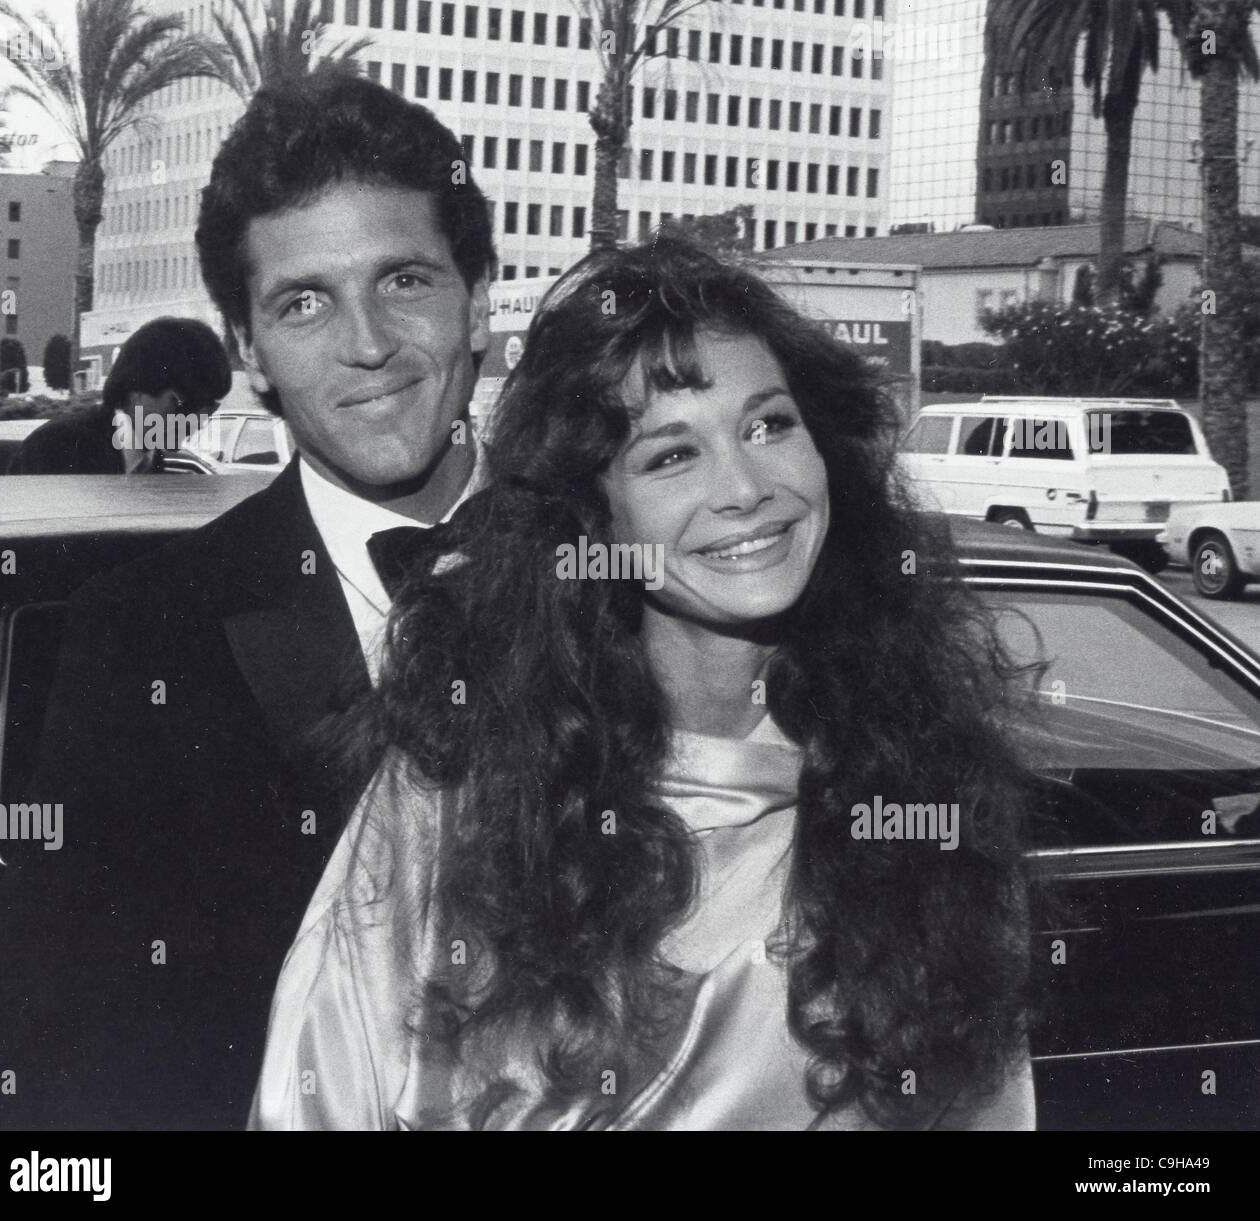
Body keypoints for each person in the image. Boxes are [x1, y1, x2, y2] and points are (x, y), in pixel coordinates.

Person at [250, 236, 1039, 1131]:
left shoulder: (923, 795)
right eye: (671, 455)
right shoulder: (461, 785)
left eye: (770, 424)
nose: (745, 487)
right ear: (593, 515)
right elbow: (322, 1089)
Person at [0, 70, 495, 1130]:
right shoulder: (139, 634)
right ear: (250, 352)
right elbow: (58, 1046)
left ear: (479, 298)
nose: (366, 343)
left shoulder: (631, 587)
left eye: (404, 280)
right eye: (302, 301)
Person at [7, 317, 231, 474]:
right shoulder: (56, 449)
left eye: (208, 410)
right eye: (182, 405)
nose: (194, 422)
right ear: (136, 391)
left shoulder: (162, 465)